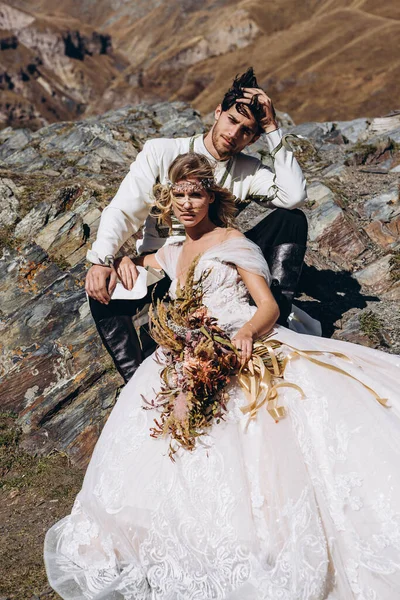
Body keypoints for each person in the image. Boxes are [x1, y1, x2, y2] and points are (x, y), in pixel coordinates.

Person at [45, 153, 400, 599]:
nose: (188, 203)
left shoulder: (234, 241)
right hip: (187, 352)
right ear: (168, 199)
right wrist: (117, 261)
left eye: (196, 194)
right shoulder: (173, 252)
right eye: (179, 195)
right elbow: (142, 267)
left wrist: (247, 333)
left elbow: (268, 305)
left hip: (238, 340)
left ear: (212, 197)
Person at [85, 67, 309, 383]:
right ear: (217, 112)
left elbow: (294, 195)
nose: (234, 133)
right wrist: (103, 258)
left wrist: (273, 128)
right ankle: (136, 382)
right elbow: (125, 209)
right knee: (100, 289)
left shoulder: (247, 170)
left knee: (291, 219)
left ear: (254, 138)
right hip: (160, 268)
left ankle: (273, 317)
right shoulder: (161, 151)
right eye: (232, 120)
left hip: (215, 266)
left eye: (246, 130)